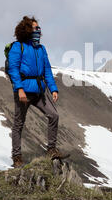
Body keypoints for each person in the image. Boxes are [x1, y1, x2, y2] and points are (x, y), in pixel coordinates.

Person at [8, 16, 69, 168]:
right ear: (27, 30)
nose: (38, 30)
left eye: (38, 28)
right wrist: (19, 89)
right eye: (35, 28)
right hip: (24, 91)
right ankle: (17, 158)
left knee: (54, 115)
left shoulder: (41, 49)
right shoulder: (18, 47)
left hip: (39, 91)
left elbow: (47, 70)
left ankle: (51, 150)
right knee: (19, 124)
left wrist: (53, 89)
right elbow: (13, 69)